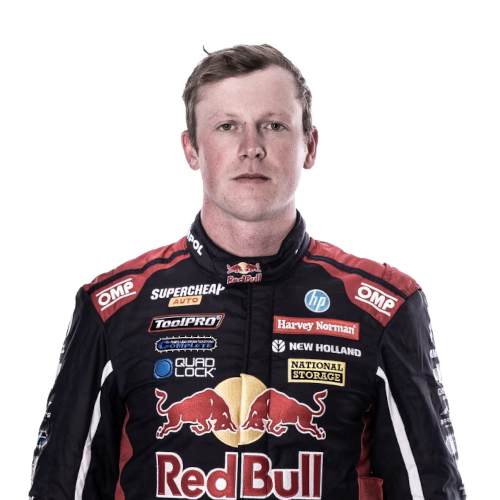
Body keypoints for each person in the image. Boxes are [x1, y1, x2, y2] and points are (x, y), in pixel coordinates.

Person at [28, 43, 467, 499]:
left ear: (310, 146)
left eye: (273, 125)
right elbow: (59, 489)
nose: (251, 148)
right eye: (227, 126)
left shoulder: (385, 305)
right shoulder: (113, 305)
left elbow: (431, 490)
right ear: (191, 150)